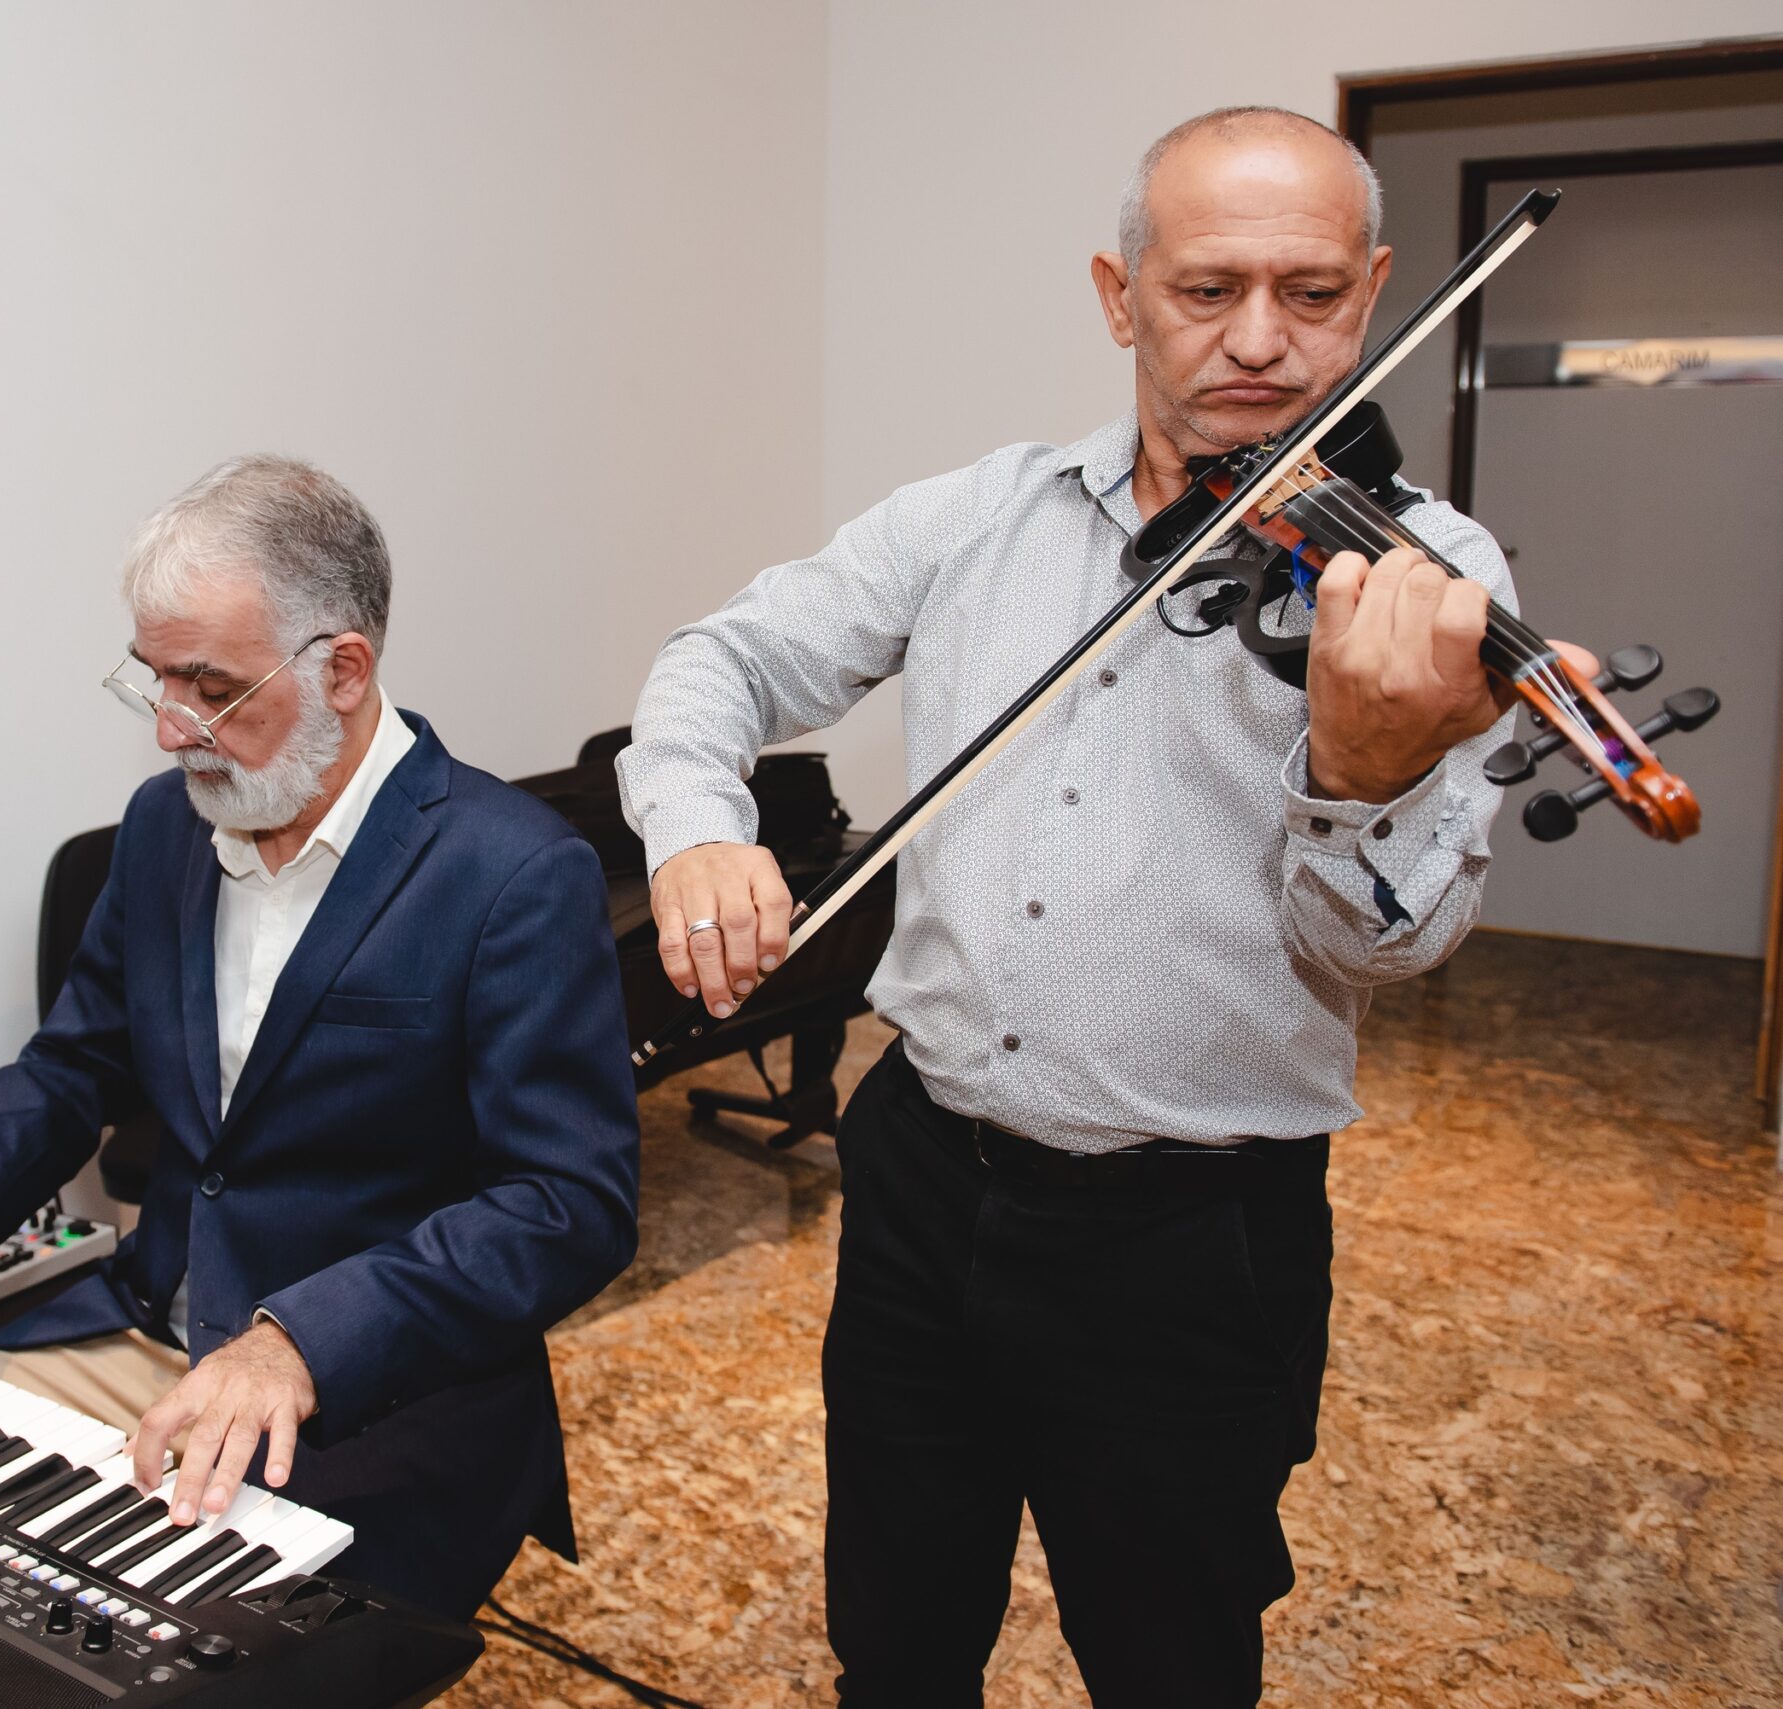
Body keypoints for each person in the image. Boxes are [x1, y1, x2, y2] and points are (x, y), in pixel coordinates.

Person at [618, 108, 1585, 1705]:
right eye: (1207, 291)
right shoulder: (975, 518)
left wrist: (1362, 772)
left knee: (1170, 1659)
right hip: (923, 1180)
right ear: (1118, 296)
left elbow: (1389, 944)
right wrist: (697, 831)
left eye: (1312, 294)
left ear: (1378, 292)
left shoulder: (1423, 582)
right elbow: (718, 663)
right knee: (895, 1634)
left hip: (1195, 1238)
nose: (1260, 342)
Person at [0, 455, 640, 1618]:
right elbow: (76, 1060)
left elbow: (566, 1202)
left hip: (365, 1394)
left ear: (342, 669)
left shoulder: (511, 871)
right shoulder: (160, 828)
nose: (173, 729)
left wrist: (299, 1342)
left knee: (162, 1645)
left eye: (212, 687)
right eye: (155, 678)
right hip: (144, 1329)